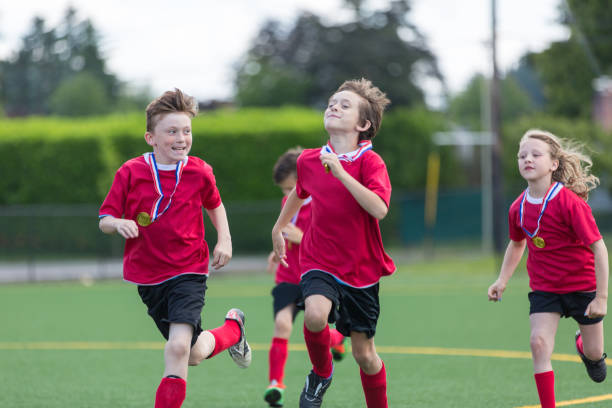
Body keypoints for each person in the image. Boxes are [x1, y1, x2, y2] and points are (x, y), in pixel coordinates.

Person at [98, 88, 251, 408]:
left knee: (177, 350)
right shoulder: (130, 172)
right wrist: (117, 224)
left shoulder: (199, 170)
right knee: (192, 353)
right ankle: (233, 330)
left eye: (186, 130)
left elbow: (215, 204)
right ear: (150, 137)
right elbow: (105, 218)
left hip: (189, 270)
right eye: (172, 131)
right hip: (148, 276)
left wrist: (225, 238)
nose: (181, 138)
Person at [272, 78, 395, 408]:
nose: (334, 107)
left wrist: (341, 173)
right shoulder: (308, 160)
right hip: (319, 258)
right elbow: (298, 195)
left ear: (363, 124)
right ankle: (320, 375)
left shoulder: (371, 163)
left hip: (361, 270)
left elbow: (379, 209)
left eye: (344, 105)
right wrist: (279, 228)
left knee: (364, 355)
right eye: (331, 102)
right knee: (314, 315)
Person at [488, 129, 608, 408]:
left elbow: (599, 248)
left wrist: (601, 297)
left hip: (582, 287)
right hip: (545, 288)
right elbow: (517, 244)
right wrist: (502, 280)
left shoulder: (570, 203)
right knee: (538, 344)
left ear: (554, 164)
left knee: (595, 354)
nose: (527, 159)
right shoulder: (517, 208)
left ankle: (584, 348)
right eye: (522, 155)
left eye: (535, 154)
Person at [264, 147, 346, 407]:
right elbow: (284, 231)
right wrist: (276, 251)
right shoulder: (287, 203)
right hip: (288, 275)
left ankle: (338, 339)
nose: (287, 195)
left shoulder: (324, 202)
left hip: (315, 277)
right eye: (284, 191)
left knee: (314, 325)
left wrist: (303, 238)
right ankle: (275, 384)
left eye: (291, 189)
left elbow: (332, 241)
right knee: (282, 324)